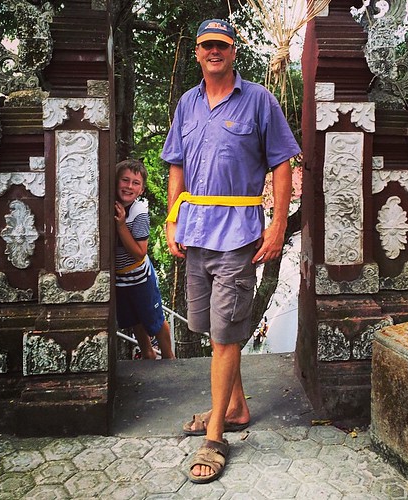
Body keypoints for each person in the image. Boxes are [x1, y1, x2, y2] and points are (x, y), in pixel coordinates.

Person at [162, 19, 300, 483]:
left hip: (239, 235)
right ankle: (236, 407)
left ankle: (216, 433)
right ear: (199, 53)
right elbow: (176, 165)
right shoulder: (187, 103)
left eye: (221, 45)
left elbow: (282, 164)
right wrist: (171, 217)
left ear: (234, 51)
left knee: (223, 335)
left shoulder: (259, 99)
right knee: (209, 327)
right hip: (195, 231)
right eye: (206, 46)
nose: (213, 51)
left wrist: (278, 224)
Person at [115, 158, 175, 360]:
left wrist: (122, 225)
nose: (129, 186)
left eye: (135, 183)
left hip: (139, 275)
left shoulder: (139, 212)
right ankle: (147, 353)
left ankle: (169, 358)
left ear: (141, 190)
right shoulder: (111, 205)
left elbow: (140, 252)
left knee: (154, 319)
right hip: (120, 278)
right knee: (134, 319)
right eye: (125, 180)